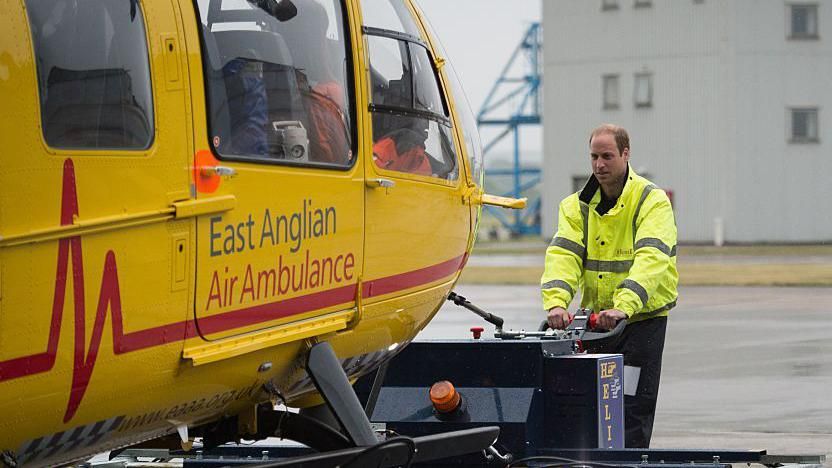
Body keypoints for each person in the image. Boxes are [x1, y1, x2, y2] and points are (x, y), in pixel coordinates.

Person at [541, 124, 678, 448]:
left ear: (626, 154)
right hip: (597, 325)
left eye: (607, 156)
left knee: (631, 406)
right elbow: (564, 255)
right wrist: (556, 302)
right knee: (589, 407)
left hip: (640, 323)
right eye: (594, 157)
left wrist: (624, 306)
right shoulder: (575, 206)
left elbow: (651, 258)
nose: (600, 165)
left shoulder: (651, 201)